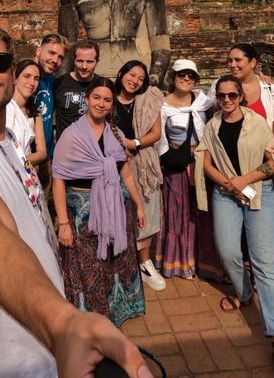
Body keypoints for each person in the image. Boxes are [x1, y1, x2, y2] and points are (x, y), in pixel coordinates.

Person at [0, 20, 151, 378]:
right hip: (5, 360)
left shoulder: (10, 138)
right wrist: (62, 325)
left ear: (12, 72)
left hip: (47, 351)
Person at [195, 75, 274, 373]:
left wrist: (245, 180)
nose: (227, 100)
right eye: (222, 96)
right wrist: (228, 183)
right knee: (228, 252)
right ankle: (243, 293)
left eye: (232, 96)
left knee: (264, 262)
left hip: (258, 193)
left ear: (241, 97)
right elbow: (204, 160)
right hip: (226, 193)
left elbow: (272, 164)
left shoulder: (257, 124)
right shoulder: (213, 125)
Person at [52, 77, 147, 327]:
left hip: (116, 207)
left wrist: (137, 203)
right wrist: (63, 223)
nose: (101, 104)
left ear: (112, 103)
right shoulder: (71, 136)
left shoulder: (115, 133)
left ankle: (114, 312)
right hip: (83, 212)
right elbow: (58, 179)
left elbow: (124, 171)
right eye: (96, 98)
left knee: (114, 261)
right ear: (87, 99)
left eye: (107, 100)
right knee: (86, 265)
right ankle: (89, 319)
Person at [153, 58, 214, 279]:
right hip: (175, 165)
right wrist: (166, 157)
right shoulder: (163, 104)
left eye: (191, 76)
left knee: (200, 211)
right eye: (182, 75)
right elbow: (158, 136)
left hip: (201, 162)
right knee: (178, 212)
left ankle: (201, 259)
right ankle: (178, 262)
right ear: (173, 77)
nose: (186, 79)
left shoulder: (204, 102)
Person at [114, 60, 166, 291]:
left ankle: (145, 262)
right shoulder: (107, 99)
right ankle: (122, 264)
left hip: (143, 162)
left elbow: (156, 133)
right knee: (118, 215)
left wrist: (133, 142)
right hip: (112, 166)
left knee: (146, 213)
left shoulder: (148, 101)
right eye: (131, 75)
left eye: (140, 79)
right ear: (121, 73)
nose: (135, 81)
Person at [54, 40, 99, 139]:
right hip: (65, 149)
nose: (84, 66)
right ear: (74, 60)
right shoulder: (59, 83)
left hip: (93, 149)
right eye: (80, 61)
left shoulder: (102, 85)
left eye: (89, 61)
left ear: (97, 62)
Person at [8, 58, 47, 165]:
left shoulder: (36, 114)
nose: (32, 82)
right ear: (15, 78)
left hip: (26, 171)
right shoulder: (2, 108)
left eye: (36, 79)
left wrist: (17, 162)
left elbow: (42, 153)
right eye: (27, 76)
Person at [33, 33, 67, 159]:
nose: (55, 60)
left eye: (60, 57)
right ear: (39, 51)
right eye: (51, 53)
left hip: (47, 156)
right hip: (23, 155)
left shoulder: (53, 80)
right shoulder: (20, 76)